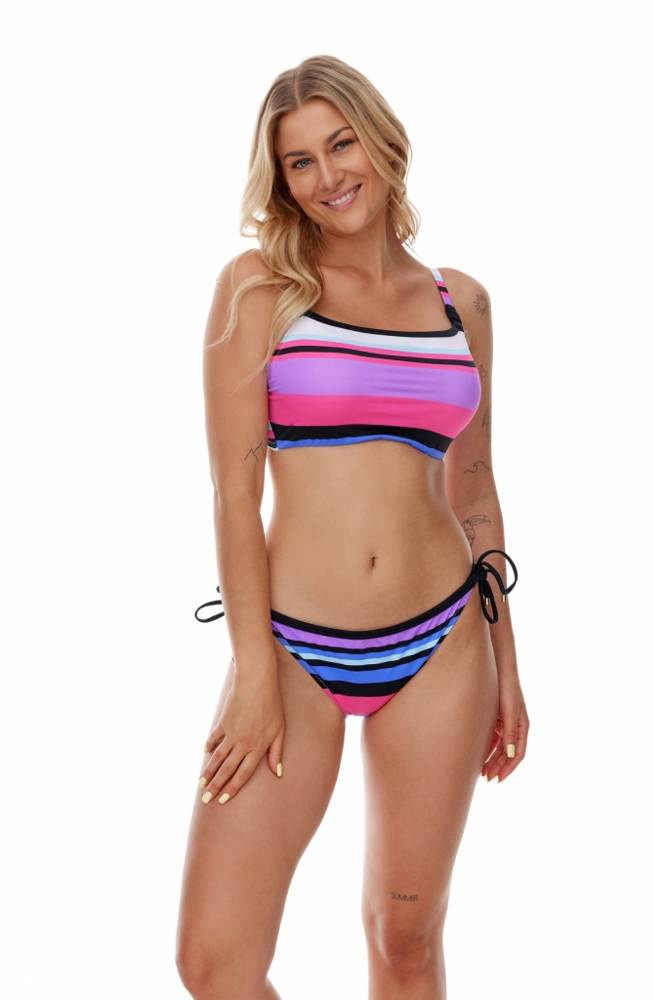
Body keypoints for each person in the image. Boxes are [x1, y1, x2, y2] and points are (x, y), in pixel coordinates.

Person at [175, 54, 528, 1000]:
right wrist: (253, 673)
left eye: (341, 145)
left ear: (380, 141)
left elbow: (475, 490)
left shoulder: (460, 302)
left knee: (403, 937)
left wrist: (507, 665)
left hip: (442, 645)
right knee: (214, 961)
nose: (328, 175)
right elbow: (232, 492)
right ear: (281, 181)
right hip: (292, 652)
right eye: (300, 161)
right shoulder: (260, 289)